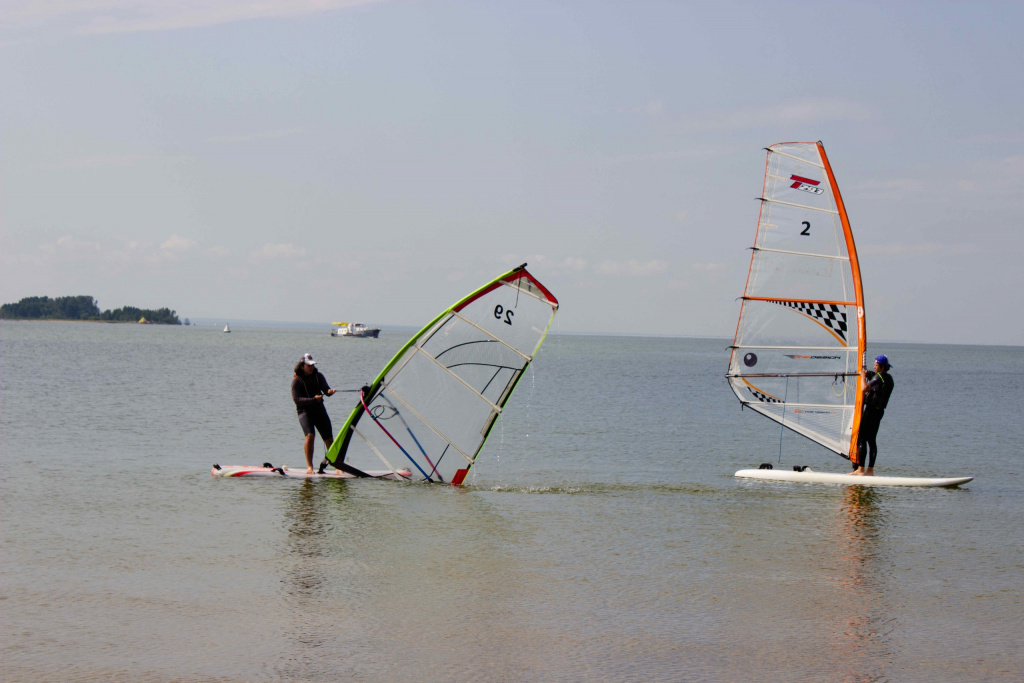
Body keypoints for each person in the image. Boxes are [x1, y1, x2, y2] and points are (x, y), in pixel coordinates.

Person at [291, 353, 336, 473]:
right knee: (310, 436)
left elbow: (326, 389)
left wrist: (329, 391)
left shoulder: (318, 376)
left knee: (329, 439)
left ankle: (337, 467)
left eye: (313, 365)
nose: (311, 367)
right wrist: (313, 400)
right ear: (302, 366)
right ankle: (310, 467)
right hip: (304, 412)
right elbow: (297, 400)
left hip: (319, 410)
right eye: (309, 365)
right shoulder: (296, 380)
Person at [852, 355, 895, 476]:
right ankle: (870, 470)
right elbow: (878, 385)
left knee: (862, 438)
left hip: (870, 411)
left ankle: (860, 469)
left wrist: (863, 376)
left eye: (876, 365)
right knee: (871, 440)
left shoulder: (878, 377)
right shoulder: (889, 378)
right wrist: (871, 376)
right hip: (879, 412)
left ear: (881, 367)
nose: (874, 367)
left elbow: (864, 388)